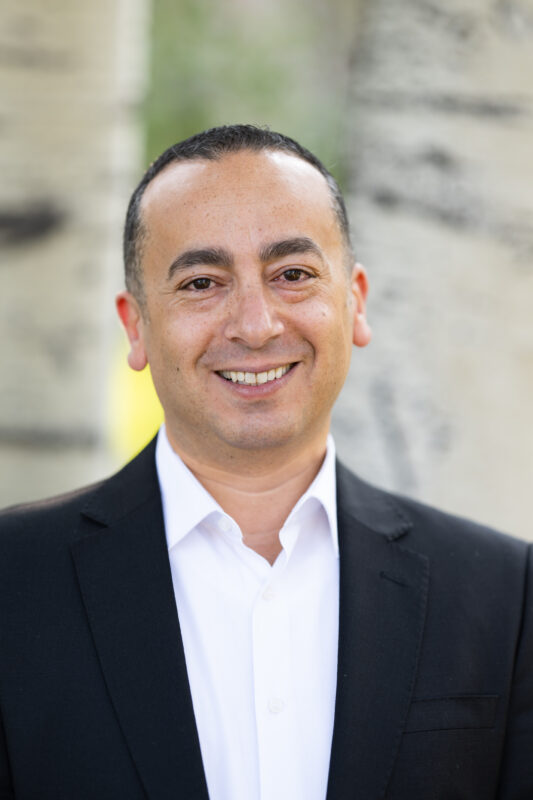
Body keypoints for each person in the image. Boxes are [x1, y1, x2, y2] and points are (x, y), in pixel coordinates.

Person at [0, 124, 532, 800]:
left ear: (355, 302)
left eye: (292, 275)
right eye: (201, 282)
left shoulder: (505, 596)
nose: (255, 325)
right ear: (135, 325)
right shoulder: (12, 583)